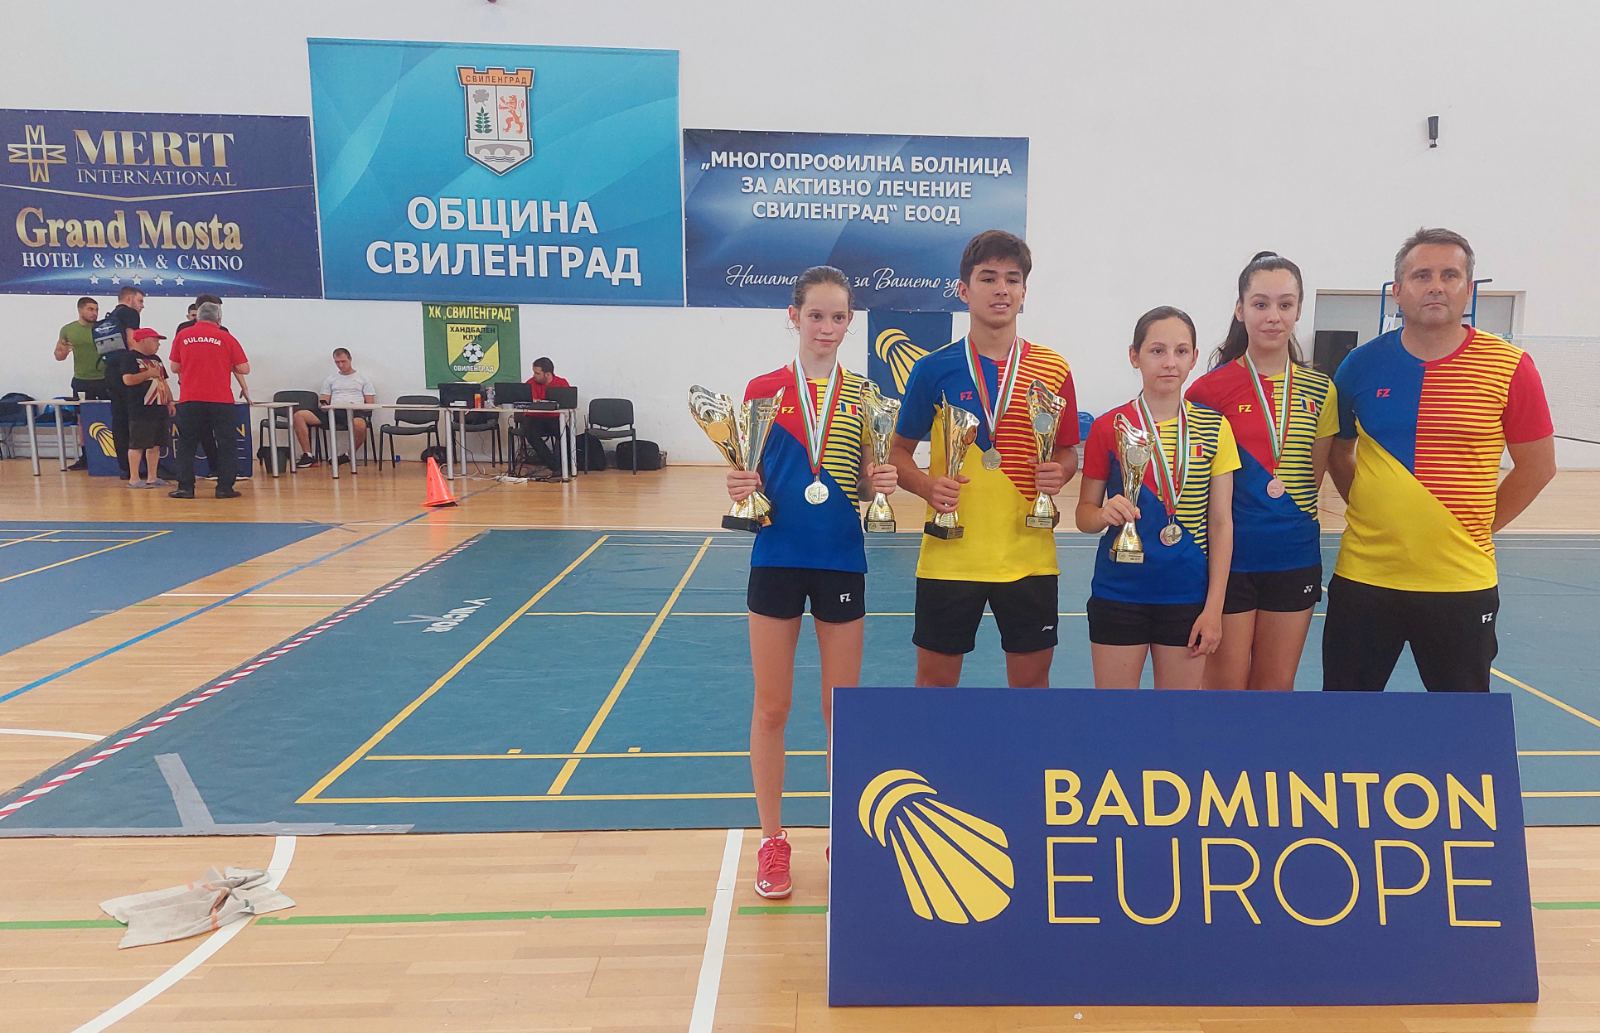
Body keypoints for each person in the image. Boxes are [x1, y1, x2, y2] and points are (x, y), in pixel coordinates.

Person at [725, 265, 896, 899]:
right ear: (793, 317)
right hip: (775, 559)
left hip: (841, 562)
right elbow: (749, 471)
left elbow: (870, 479)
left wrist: (881, 482)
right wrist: (740, 483)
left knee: (838, 710)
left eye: (838, 317)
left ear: (850, 323)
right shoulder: (763, 391)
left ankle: (842, 833)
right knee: (772, 706)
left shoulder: (866, 397)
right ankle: (772, 840)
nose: (827, 327)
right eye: (816, 315)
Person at [1324, 228, 1555, 693]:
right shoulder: (1359, 365)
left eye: (1450, 275)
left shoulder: (1510, 366)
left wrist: (1476, 526)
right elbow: (1338, 452)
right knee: (1345, 719)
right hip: (1365, 577)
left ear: (1468, 289)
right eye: (1421, 275)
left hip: (1461, 583)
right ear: (1398, 291)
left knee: (1462, 724)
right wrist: (1373, 508)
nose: (1436, 286)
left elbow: (1537, 467)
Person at [889, 230, 1079, 689]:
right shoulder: (932, 369)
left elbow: (1067, 451)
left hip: (1029, 556)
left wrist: (1060, 471)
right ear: (964, 290)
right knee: (934, 691)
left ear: (1024, 292)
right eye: (988, 278)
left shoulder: (1054, 369)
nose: (1001, 289)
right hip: (949, 556)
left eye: (1012, 279)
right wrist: (926, 486)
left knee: (1031, 691)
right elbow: (897, 452)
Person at [1187, 253, 1338, 690]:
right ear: (1240, 309)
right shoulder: (1207, 391)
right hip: (1230, 562)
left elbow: (1312, 477)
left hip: (1294, 557)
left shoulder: (1321, 389)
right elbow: (1198, 485)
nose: (1273, 316)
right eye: (1260, 304)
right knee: (1225, 689)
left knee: (1275, 688)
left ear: (1298, 310)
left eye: (1285, 304)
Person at [1075, 307, 1238, 690]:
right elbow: (1084, 516)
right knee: (1117, 715)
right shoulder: (1109, 427)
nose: (1169, 362)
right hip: (1119, 593)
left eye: (1181, 351)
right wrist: (1104, 513)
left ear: (1194, 358)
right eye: (1157, 351)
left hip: (1187, 596)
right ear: (1135, 356)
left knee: (1176, 717)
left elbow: (1221, 523)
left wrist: (1214, 609)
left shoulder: (1215, 428)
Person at [169, 300, 250, 499]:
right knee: (226, 443)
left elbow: (174, 367)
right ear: (218, 319)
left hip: (190, 398)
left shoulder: (183, 335)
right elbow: (244, 368)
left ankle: (185, 488)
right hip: (220, 399)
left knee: (187, 444)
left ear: (197, 316)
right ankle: (224, 487)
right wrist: (224, 362)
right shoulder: (226, 337)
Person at [294, 348, 376, 467]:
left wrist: (355, 406)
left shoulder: (363, 379)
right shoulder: (330, 379)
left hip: (354, 412)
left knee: (360, 425)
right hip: (333, 411)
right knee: (299, 415)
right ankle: (308, 455)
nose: (340, 365)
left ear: (350, 359)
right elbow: (324, 401)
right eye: (337, 362)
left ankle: (349, 454)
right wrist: (325, 406)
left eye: (343, 361)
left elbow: (370, 404)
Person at [118, 328, 175, 488]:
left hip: (159, 406)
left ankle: (152, 477)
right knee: (137, 444)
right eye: (155, 340)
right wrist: (147, 374)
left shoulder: (156, 359)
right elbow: (128, 380)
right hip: (141, 408)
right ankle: (134, 478)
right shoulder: (130, 358)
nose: (158, 344)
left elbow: (163, 380)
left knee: (155, 444)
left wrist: (169, 401)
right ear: (143, 340)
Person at [53, 297, 104, 470]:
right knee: (83, 419)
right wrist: (63, 352)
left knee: (110, 414)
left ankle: (110, 455)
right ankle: (86, 457)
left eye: (96, 309)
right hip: (82, 380)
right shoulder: (68, 330)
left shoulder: (102, 328)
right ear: (80, 309)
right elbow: (59, 355)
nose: (94, 313)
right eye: (90, 309)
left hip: (105, 379)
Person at [99, 286, 145, 478]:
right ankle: (138, 467)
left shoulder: (109, 317)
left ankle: (124, 468)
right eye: (140, 301)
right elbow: (132, 342)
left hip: (110, 372)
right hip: (126, 370)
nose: (142, 306)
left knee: (118, 420)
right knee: (135, 418)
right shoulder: (129, 313)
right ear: (129, 298)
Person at [514, 356, 571, 474]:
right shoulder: (530, 383)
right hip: (535, 419)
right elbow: (523, 402)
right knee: (530, 433)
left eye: (537, 373)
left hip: (554, 419)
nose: (534, 375)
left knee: (565, 434)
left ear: (547, 374)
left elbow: (568, 404)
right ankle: (554, 465)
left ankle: (564, 465)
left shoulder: (561, 383)